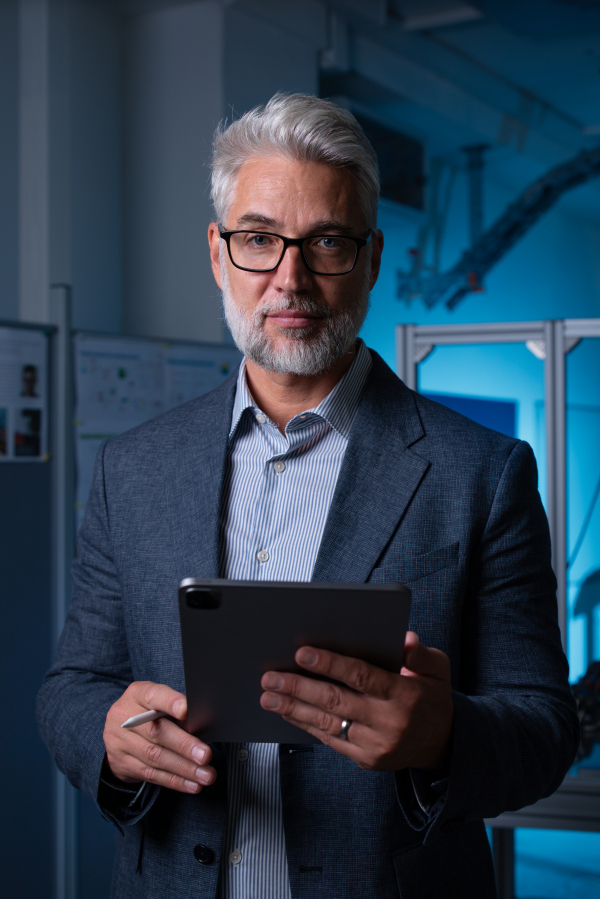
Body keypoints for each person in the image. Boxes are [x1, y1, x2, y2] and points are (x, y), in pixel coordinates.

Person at [38, 93, 578, 899]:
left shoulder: (483, 472)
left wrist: (442, 735)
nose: (289, 279)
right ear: (219, 255)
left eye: (325, 241)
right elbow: (71, 685)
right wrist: (108, 739)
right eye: (259, 239)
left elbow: (543, 726)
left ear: (370, 258)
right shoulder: (133, 467)